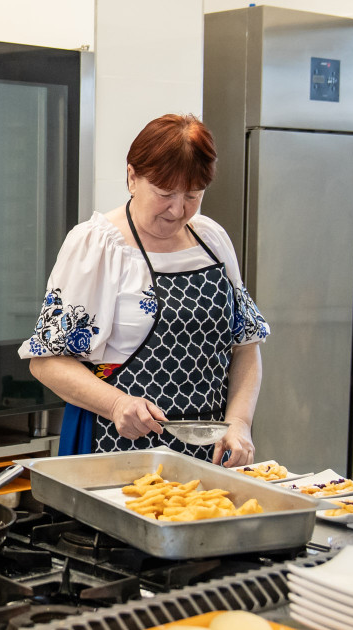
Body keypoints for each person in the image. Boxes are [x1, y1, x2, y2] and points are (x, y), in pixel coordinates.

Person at [19, 114, 268, 466]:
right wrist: (118, 404)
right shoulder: (98, 244)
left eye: (193, 196)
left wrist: (240, 422)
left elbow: (245, 348)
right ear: (132, 177)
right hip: (120, 449)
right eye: (165, 194)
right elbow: (48, 362)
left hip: (211, 455)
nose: (178, 209)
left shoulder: (211, 239)